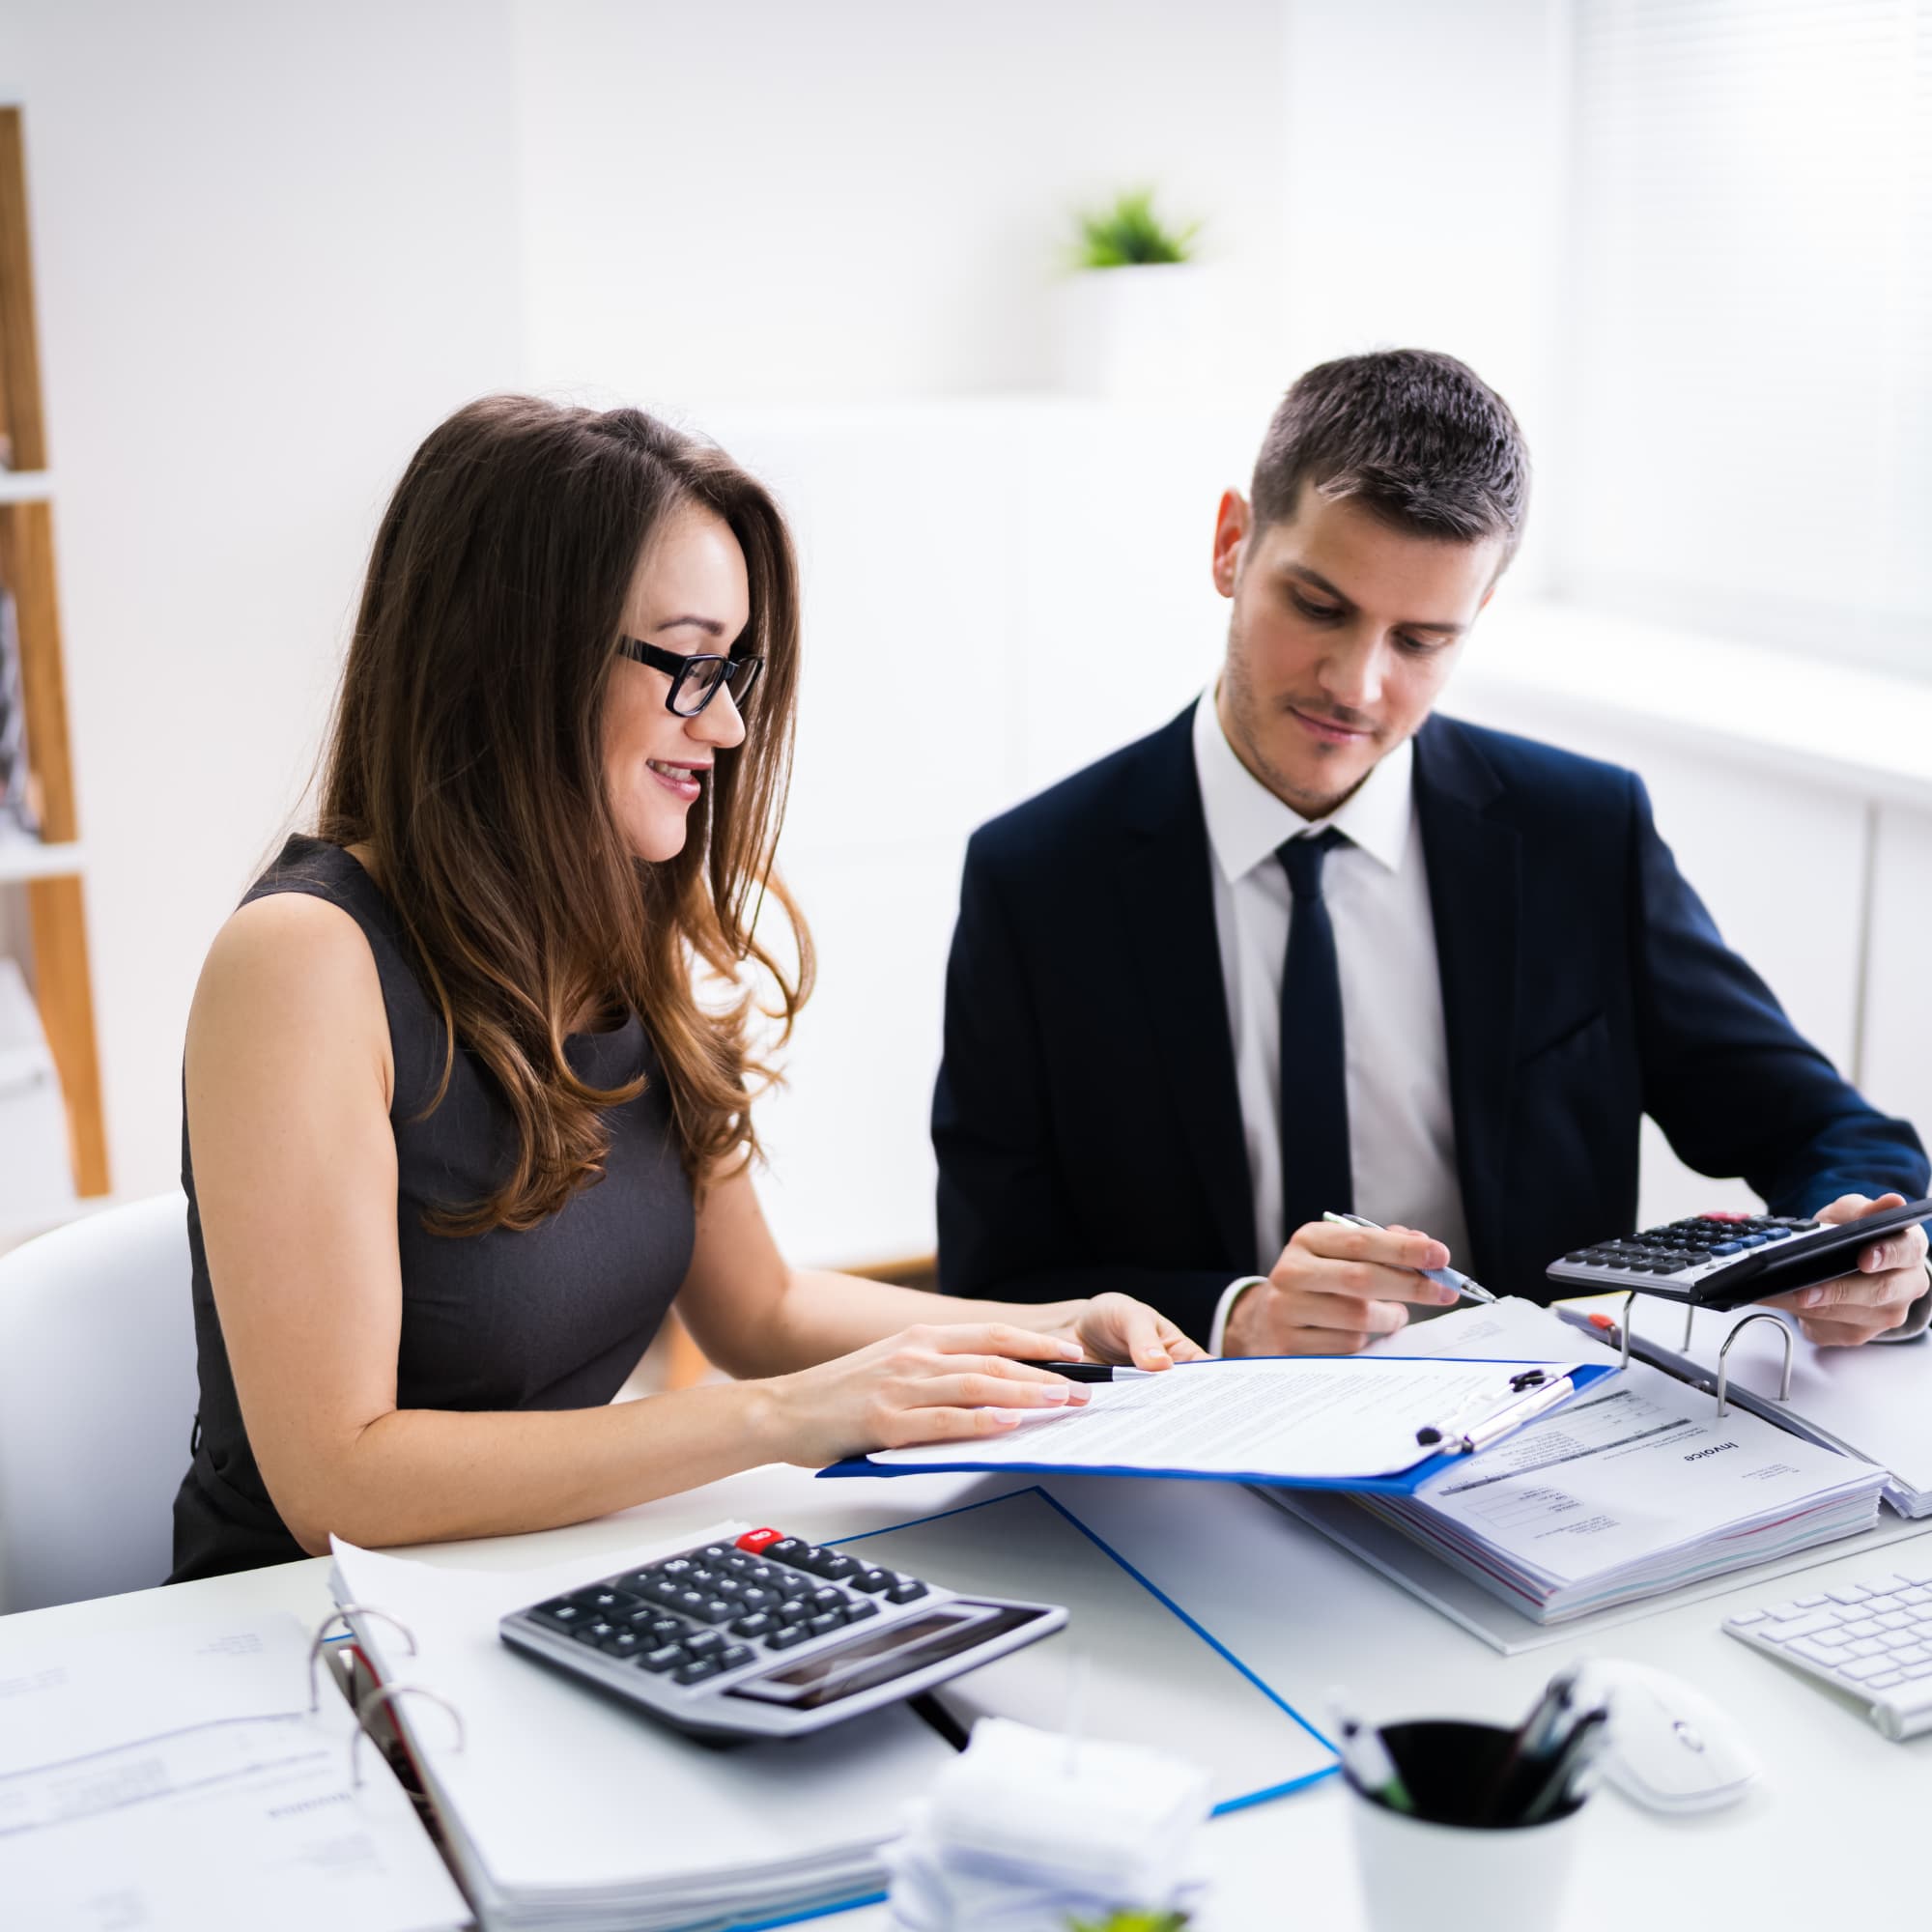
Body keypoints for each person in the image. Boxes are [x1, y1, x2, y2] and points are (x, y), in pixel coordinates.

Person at [171, 395, 1202, 1583]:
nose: (727, 722)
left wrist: (1061, 1329)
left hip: (524, 1588)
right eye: (691, 664)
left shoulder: (621, 930)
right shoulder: (302, 961)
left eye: (737, 669)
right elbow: (334, 1480)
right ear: (514, 654)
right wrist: (776, 1418)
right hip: (302, 1633)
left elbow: (755, 1309)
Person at [932, 349, 1929, 1359]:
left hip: (1532, 1444)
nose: (1354, 684)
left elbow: (1827, 1132)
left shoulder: (1581, 831)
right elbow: (992, 1282)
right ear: (1232, 543)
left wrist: (1859, 1248)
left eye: (1418, 639)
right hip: (1190, 1450)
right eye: (1317, 606)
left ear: (1475, 618)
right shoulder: (1037, 877)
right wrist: (1235, 1313)